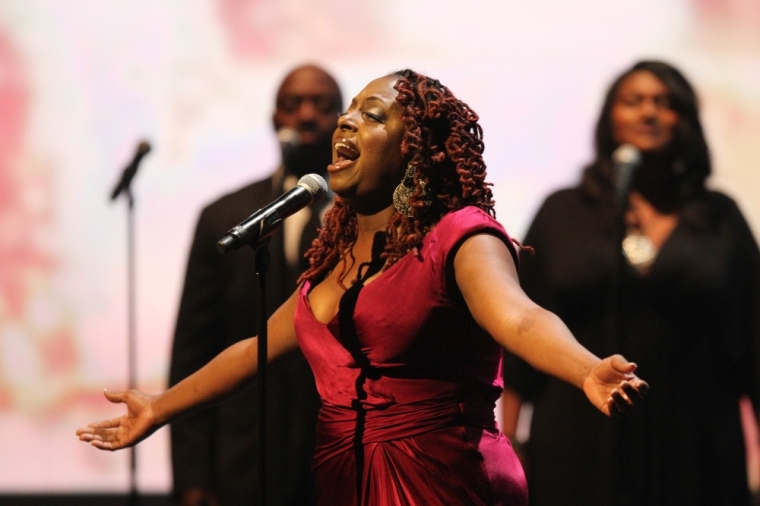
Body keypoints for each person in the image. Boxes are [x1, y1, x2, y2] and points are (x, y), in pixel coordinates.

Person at [77, 69, 648, 506]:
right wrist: (158, 406)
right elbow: (250, 351)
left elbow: (519, 317)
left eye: (371, 115)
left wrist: (584, 368)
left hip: (444, 481)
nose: (345, 122)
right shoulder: (333, 261)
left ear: (414, 150)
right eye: (347, 114)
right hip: (346, 482)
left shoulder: (459, 237)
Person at [501, 60, 760, 506]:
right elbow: (520, 332)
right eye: (633, 101)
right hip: (575, 439)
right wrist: (506, 444)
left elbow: (755, 338)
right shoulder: (562, 212)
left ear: (687, 120)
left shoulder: (722, 217)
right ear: (610, 117)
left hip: (696, 442)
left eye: (665, 102)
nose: (649, 113)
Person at [168, 64, 342, 506]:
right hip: (242, 461)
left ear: (343, 122)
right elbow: (192, 349)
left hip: (343, 460)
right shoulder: (226, 218)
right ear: (273, 120)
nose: (306, 115)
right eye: (292, 104)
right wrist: (192, 478)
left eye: (321, 105)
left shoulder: (368, 219)